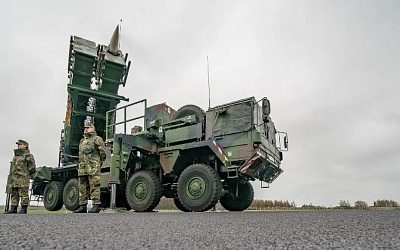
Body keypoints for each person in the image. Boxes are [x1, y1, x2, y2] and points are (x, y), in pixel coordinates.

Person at [74, 122, 106, 213]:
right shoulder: (82, 141)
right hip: (83, 167)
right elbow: (80, 154)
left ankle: (96, 205)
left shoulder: (97, 139)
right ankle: (82, 206)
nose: (86, 129)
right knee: (82, 187)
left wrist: (98, 163)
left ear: (93, 129)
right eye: (85, 128)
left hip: (93, 167)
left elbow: (102, 153)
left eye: (88, 128)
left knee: (94, 185)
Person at [4, 140, 36, 214]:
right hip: (14, 178)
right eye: (18, 144)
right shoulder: (16, 156)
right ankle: (13, 208)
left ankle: (23, 209)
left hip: (23, 177)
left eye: (20, 144)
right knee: (14, 193)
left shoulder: (28, 155)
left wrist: (25, 173)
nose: (18, 145)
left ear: (25, 145)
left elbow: (32, 168)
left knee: (23, 193)